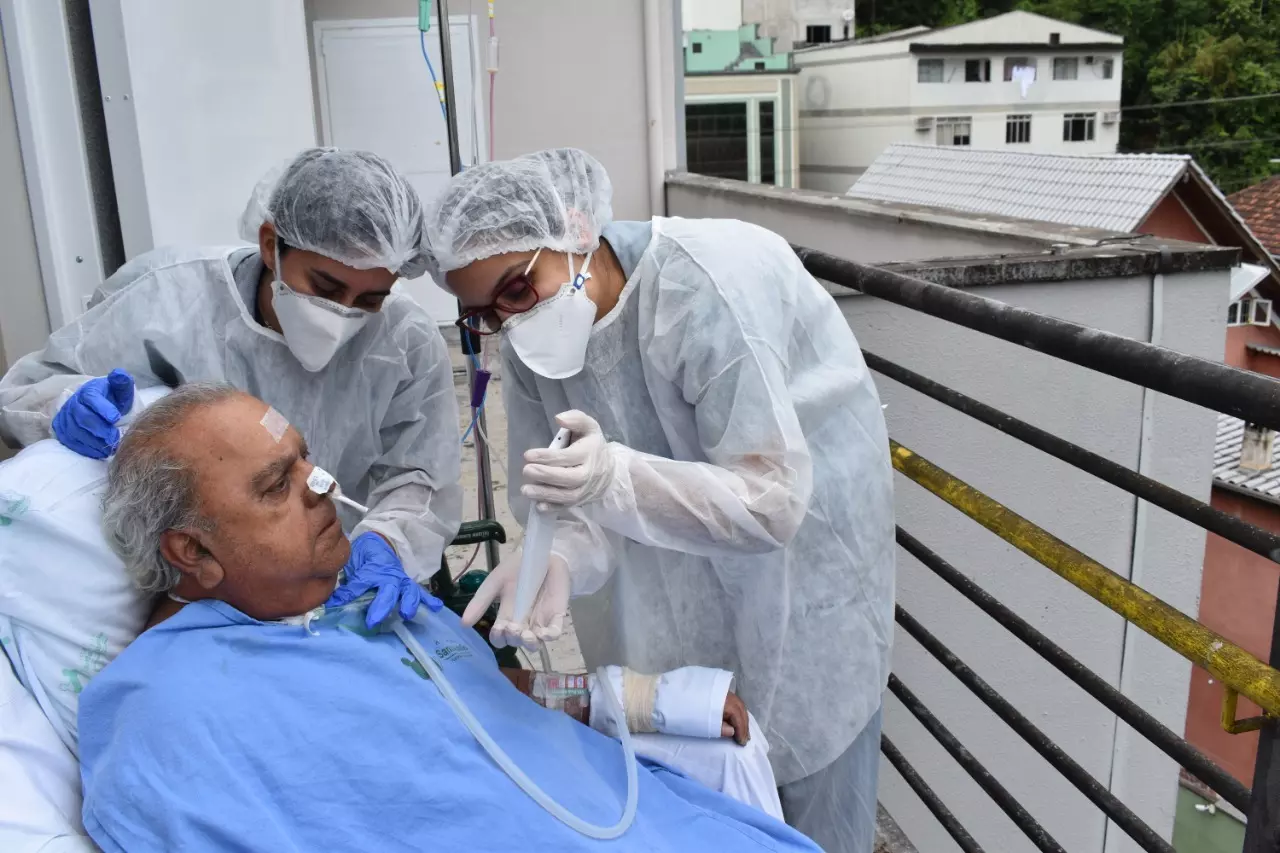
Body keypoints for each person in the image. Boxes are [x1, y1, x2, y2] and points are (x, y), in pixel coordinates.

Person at [79, 382, 820, 852]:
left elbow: (491, 701)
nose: (325, 487)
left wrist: (631, 698)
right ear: (195, 552)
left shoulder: (370, 605)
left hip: (629, 817)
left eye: (308, 460)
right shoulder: (164, 702)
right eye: (280, 484)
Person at [426, 148, 896, 853]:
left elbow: (771, 500)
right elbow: (574, 506)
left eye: (517, 290)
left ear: (575, 231)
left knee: (811, 811)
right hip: (663, 603)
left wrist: (611, 477)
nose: (508, 322)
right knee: (697, 808)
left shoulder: (709, 287)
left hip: (804, 585)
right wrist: (558, 561)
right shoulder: (530, 349)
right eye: (482, 313)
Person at [0, 147, 462, 594]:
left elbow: (420, 476)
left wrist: (386, 542)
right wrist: (63, 404)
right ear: (269, 245)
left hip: (333, 576)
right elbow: (27, 390)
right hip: (187, 582)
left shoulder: (403, 340)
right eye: (324, 285)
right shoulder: (166, 299)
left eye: (369, 300)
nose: (341, 315)